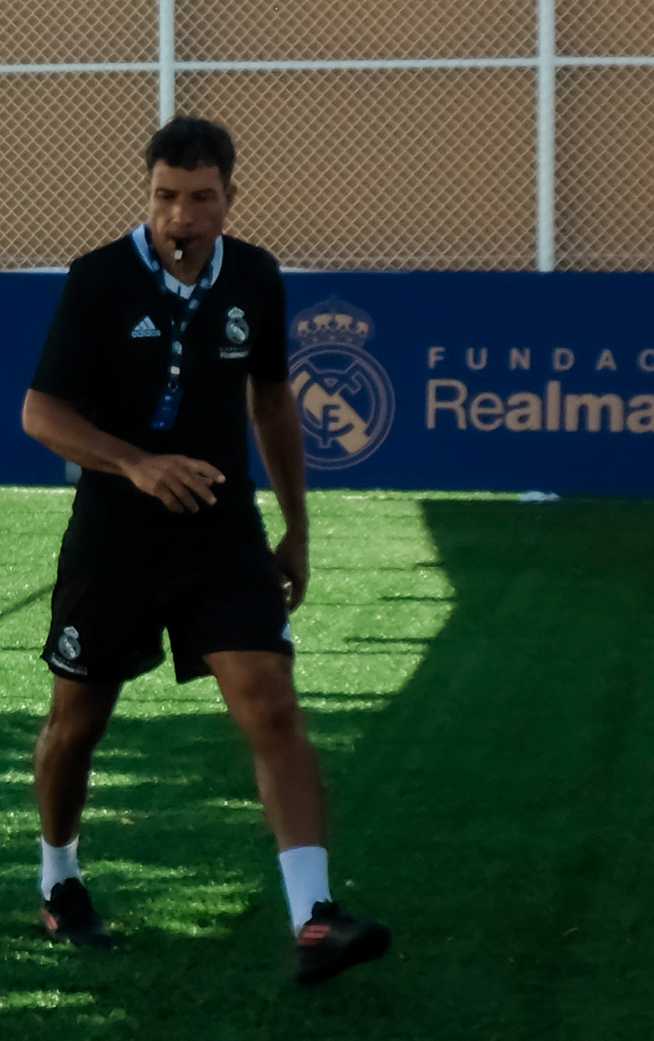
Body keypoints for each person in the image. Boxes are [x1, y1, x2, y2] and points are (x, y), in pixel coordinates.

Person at [20, 112, 389, 982]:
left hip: (223, 532)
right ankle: (59, 879)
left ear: (230, 197)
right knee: (77, 724)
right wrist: (137, 465)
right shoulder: (99, 279)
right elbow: (41, 413)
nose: (179, 216)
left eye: (199, 198)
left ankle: (314, 917)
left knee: (273, 703)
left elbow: (272, 401)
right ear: (146, 192)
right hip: (115, 538)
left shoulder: (256, 276)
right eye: (165, 197)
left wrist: (296, 527)